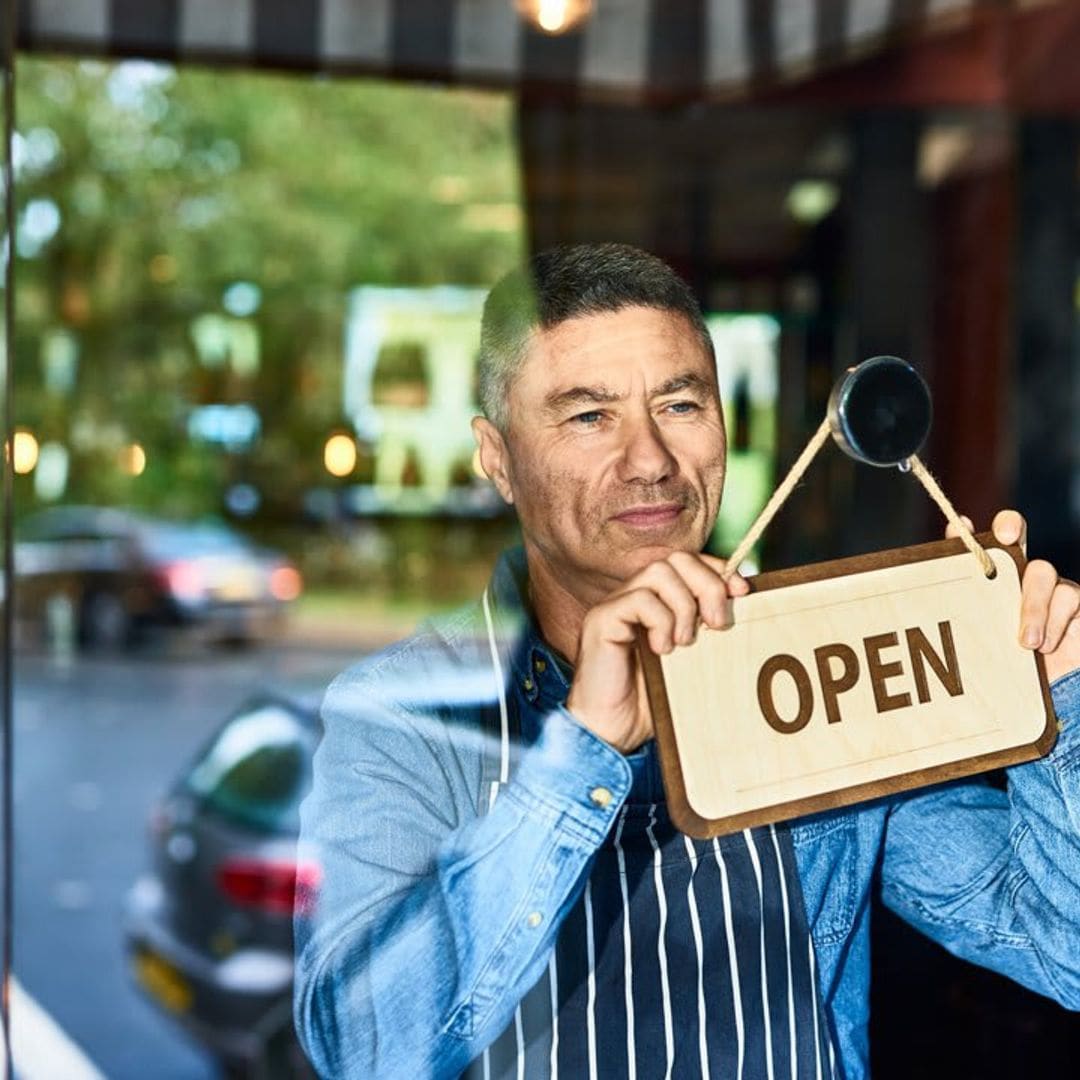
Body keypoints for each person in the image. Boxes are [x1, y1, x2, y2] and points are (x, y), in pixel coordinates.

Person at [293, 242, 1080, 1080]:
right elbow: (366, 1050)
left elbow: (1061, 950)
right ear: (497, 458)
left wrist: (1063, 700)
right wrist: (582, 750)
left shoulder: (813, 664)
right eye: (589, 415)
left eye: (680, 404)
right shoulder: (400, 713)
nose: (651, 461)